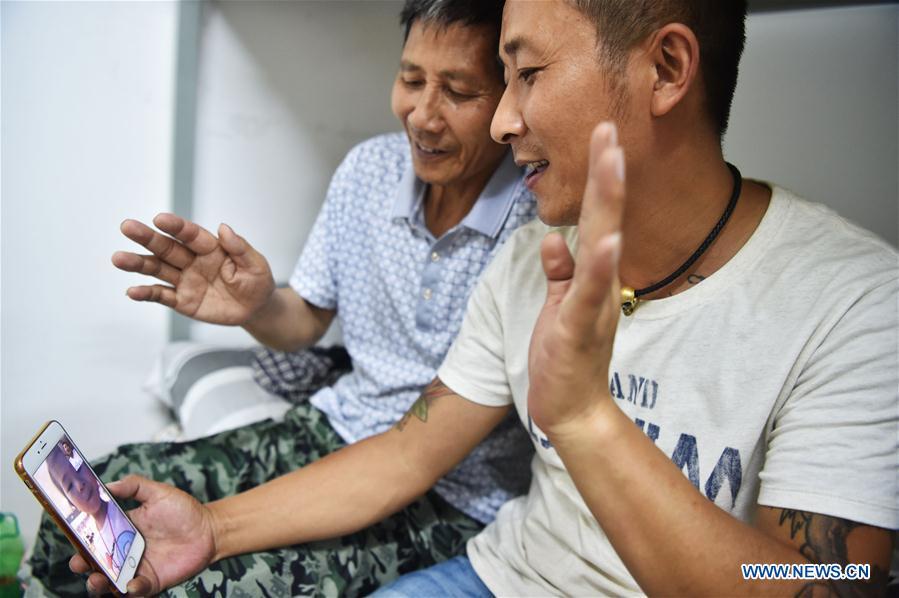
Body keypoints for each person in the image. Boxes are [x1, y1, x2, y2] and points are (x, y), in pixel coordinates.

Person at [70, 0, 897, 595]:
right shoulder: (533, 260)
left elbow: (829, 585)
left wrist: (584, 419)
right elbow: (405, 452)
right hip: (497, 576)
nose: (501, 122)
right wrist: (213, 531)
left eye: (525, 74)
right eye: (497, 81)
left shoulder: (855, 303)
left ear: (667, 68)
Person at [27, 1, 536, 596]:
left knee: (190, 583)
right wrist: (259, 306)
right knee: (88, 497)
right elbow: (306, 321)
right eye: (411, 79)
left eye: (459, 91)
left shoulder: (534, 225)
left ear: (507, 102)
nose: (422, 116)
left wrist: (215, 529)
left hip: (450, 494)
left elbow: (411, 456)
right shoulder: (367, 171)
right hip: (331, 427)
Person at [45, 446, 136, 580]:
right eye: (69, 486)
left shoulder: (124, 510)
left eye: (78, 468)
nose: (79, 485)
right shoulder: (94, 548)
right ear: (71, 503)